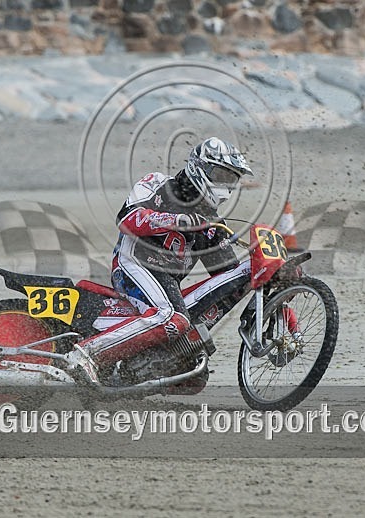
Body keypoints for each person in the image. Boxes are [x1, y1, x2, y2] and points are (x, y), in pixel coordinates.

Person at [65, 137, 254, 383]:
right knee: (171, 316)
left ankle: (131, 372)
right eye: (221, 175)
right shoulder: (158, 184)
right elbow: (126, 219)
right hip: (134, 264)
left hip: (167, 282)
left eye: (231, 179)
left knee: (192, 379)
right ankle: (84, 355)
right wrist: (176, 221)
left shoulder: (212, 223)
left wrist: (272, 282)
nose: (224, 184)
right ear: (200, 167)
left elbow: (227, 275)